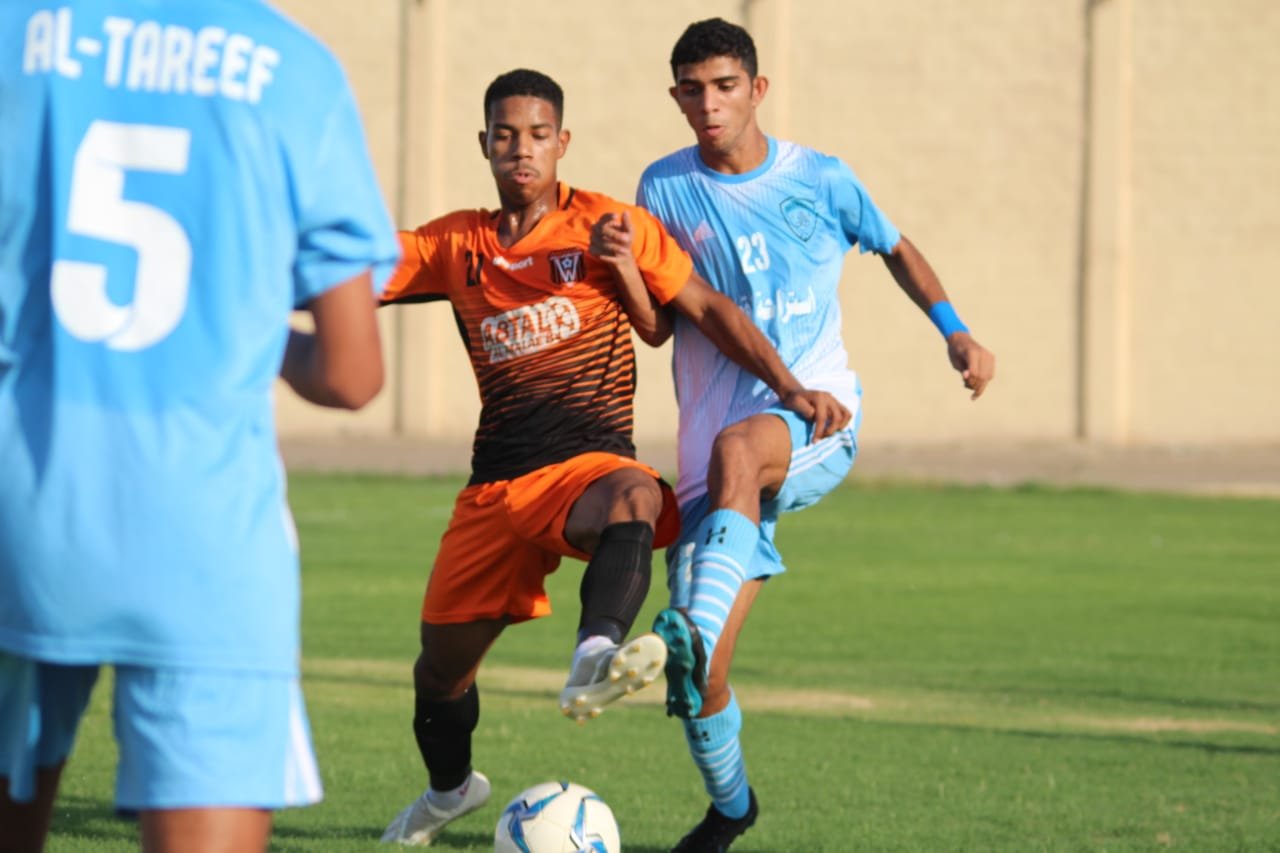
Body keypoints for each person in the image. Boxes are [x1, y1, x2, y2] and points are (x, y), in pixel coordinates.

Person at [376, 68, 846, 847]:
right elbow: (346, 270)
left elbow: (707, 308)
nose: (521, 149)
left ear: (562, 143)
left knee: (636, 494)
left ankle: (596, 652)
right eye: (505, 135)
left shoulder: (609, 225)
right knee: (440, 673)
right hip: (495, 488)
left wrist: (790, 386)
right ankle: (449, 789)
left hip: (586, 467)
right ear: (484, 144)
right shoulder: (456, 243)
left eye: (537, 135)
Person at [0, 2, 399, 850]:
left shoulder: (16, 36)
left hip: (22, 506)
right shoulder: (294, 69)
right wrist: (244, 328)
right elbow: (352, 372)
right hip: (205, 540)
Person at [633, 18, 998, 852]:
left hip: (817, 414)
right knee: (703, 681)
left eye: (725, 86)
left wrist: (956, 331)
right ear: (676, 97)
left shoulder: (820, 178)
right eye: (692, 89)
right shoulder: (662, 188)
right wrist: (622, 266)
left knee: (740, 451)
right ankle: (731, 808)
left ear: (757, 90)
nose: (709, 103)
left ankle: (687, 627)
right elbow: (659, 326)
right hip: (710, 456)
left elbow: (896, 247)